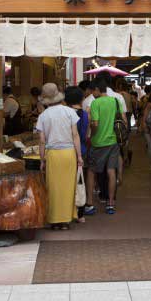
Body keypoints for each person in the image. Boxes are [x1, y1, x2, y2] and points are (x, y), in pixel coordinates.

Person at [36, 83, 83, 229]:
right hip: (69, 153)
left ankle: (54, 220)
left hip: (53, 155)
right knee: (68, 187)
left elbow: (42, 141)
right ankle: (65, 221)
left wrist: (42, 159)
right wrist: (79, 156)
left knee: (53, 187)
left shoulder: (43, 116)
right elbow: (75, 135)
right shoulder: (70, 112)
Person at [86, 78, 120, 215]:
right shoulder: (115, 101)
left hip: (98, 142)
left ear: (97, 90)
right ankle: (110, 204)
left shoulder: (96, 103)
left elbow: (95, 124)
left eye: (92, 91)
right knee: (111, 171)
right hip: (113, 141)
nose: (92, 94)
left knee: (91, 171)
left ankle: (89, 203)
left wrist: (91, 135)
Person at [65, 86, 89, 224]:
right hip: (82, 150)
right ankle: (80, 214)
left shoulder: (65, 113)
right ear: (81, 99)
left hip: (67, 150)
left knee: (67, 182)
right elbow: (85, 135)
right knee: (80, 181)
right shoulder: (84, 114)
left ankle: (67, 211)